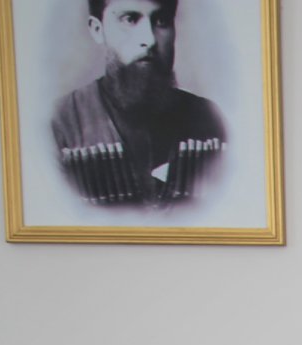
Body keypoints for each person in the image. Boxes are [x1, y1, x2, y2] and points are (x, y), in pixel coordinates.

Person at [50, 0, 226, 208]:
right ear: (98, 30)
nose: (149, 40)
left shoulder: (212, 124)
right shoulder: (60, 127)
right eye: (130, 19)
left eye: (161, 21)